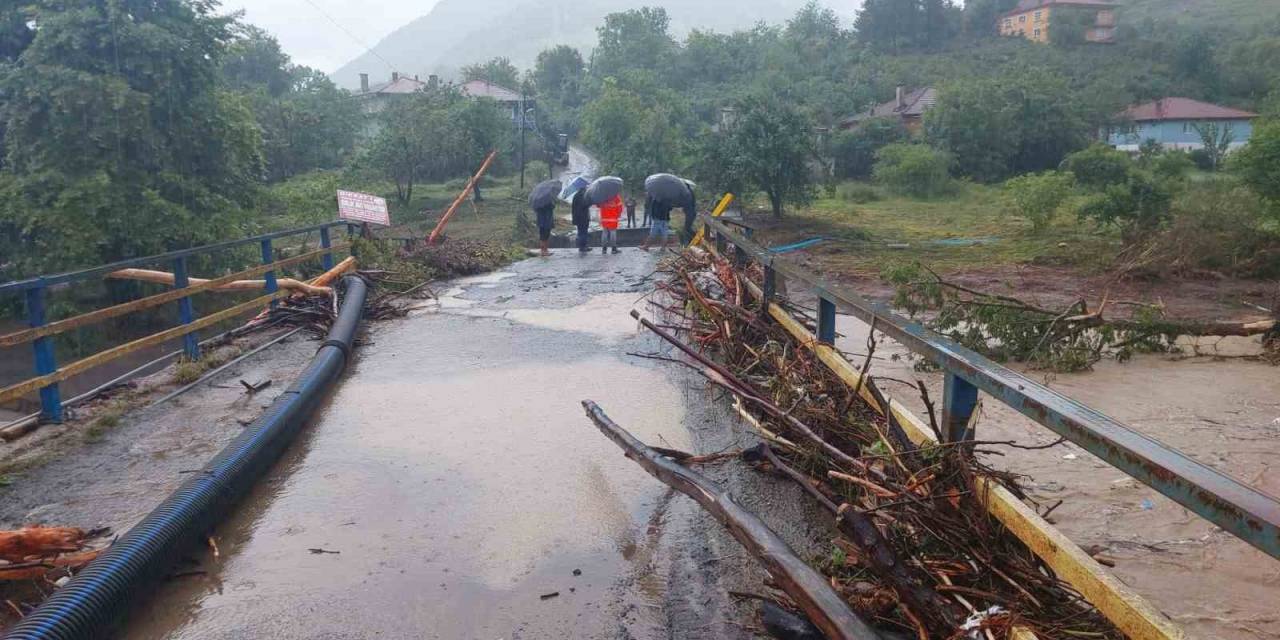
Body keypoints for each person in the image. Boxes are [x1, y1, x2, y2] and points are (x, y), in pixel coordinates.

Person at [571, 189, 591, 253]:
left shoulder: (575, 195)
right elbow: (584, 205)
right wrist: (589, 203)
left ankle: (582, 246)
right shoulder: (583, 196)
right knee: (583, 232)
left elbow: (574, 207)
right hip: (583, 217)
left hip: (577, 217)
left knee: (581, 231)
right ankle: (583, 247)